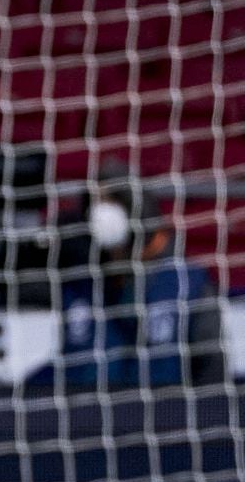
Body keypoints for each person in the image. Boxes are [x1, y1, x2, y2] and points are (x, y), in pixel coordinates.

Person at [60, 163, 225, 388]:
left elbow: (212, 368)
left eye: (111, 200)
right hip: (86, 417)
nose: (100, 212)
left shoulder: (187, 282)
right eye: (95, 202)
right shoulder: (81, 283)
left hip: (165, 416)